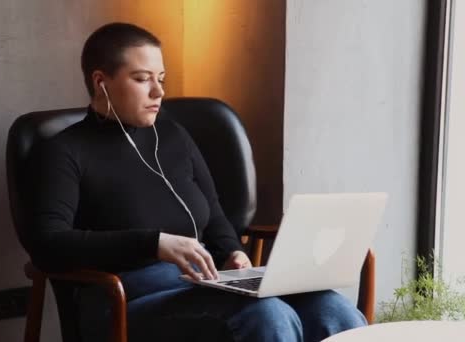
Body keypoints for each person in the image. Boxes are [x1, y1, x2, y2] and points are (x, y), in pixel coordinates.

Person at [27, 22, 366, 342]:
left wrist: (232, 252)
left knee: (331, 308)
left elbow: (214, 214)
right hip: (121, 300)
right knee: (264, 315)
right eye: (142, 79)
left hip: (204, 284)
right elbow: (48, 243)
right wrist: (153, 243)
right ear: (101, 81)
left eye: (161, 77)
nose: (159, 91)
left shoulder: (173, 136)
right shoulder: (64, 151)